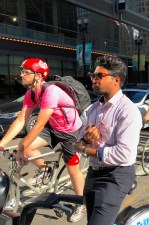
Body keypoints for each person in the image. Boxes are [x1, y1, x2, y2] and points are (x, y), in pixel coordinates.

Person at [0, 58, 85, 222]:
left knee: (73, 169)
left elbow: (39, 124)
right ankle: (45, 169)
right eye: (21, 71)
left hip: (70, 132)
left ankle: (80, 203)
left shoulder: (51, 91)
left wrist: (21, 147)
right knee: (29, 147)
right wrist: (2, 143)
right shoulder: (31, 93)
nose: (21, 75)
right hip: (53, 127)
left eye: (26, 72)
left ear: (38, 75)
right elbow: (20, 120)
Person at [72, 55, 142, 225]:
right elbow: (76, 142)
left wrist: (85, 150)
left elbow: (124, 154)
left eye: (99, 76)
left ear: (116, 80)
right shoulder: (93, 109)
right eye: (93, 76)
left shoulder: (127, 111)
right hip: (94, 172)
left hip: (115, 176)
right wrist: (85, 141)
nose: (93, 80)